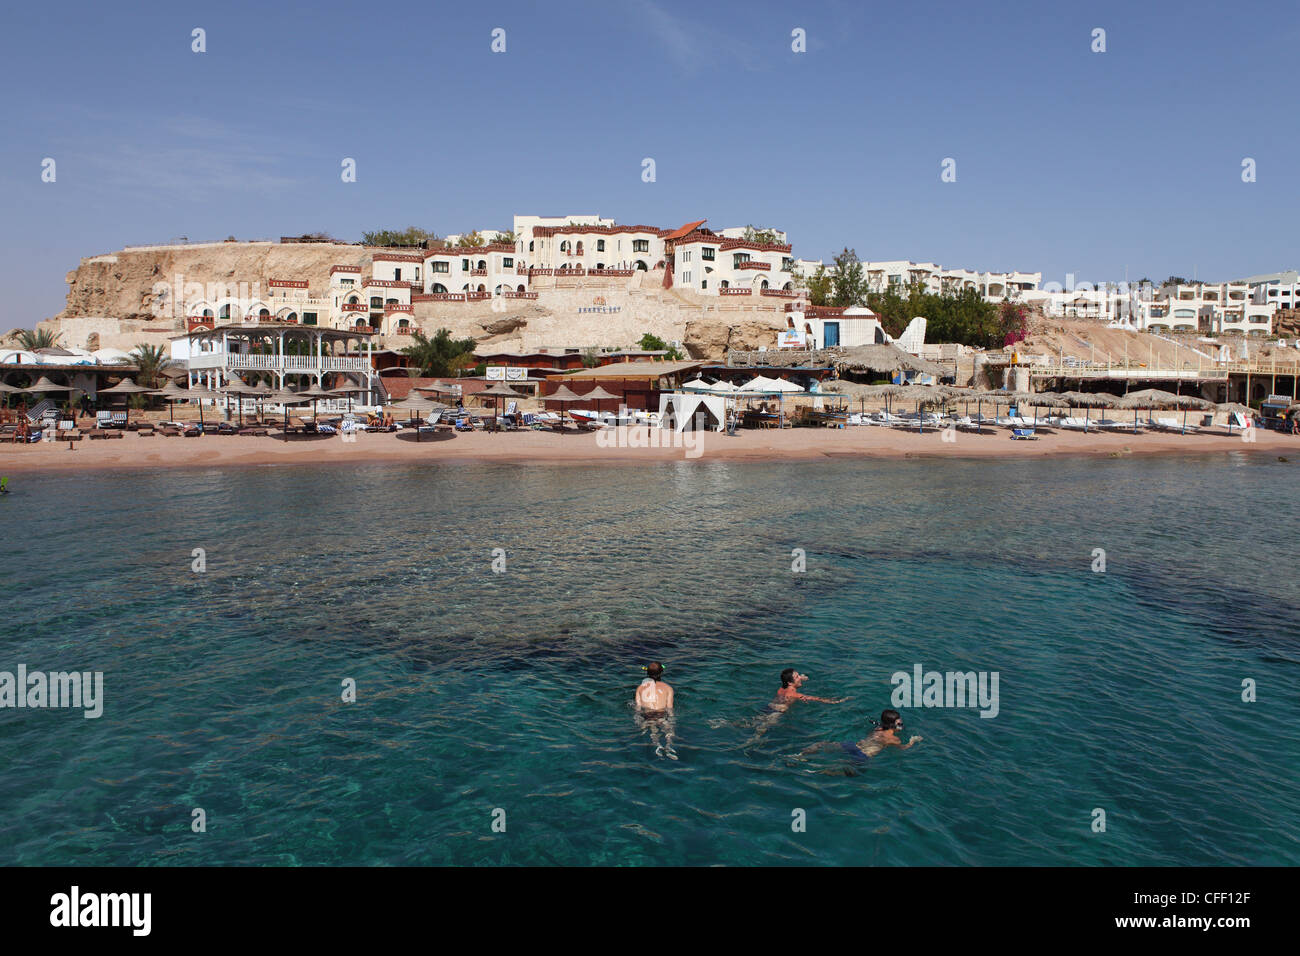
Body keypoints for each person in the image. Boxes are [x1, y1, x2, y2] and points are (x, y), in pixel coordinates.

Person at [801, 709, 922, 765]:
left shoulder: (878, 728)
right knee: (842, 769)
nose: (901, 725)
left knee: (823, 745)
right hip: (862, 756)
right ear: (893, 725)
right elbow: (902, 748)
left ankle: (801, 755)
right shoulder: (894, 739)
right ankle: (815, 770)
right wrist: (912, 741)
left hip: (853, 746)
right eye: (900, 724)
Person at [634, 662, 676, 759]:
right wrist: (672, 720)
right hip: (662, 714)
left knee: (653, 732)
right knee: (669, 732)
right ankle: (669, 746)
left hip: (647, 715)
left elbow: (638, 707)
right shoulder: (668, 688)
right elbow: (669, 707)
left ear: (647, 673)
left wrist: (637, 719)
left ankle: (657, 746)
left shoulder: (640, 688)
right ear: (661, 673)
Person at [773, 668, 846, 709]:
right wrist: (836, 701)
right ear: (790, 682)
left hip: (770, 707)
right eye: (797, 677)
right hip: (776, 714)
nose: (800, 678)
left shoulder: (782, 688)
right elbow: (816, 699)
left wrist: (801, 678)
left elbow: (791, 682)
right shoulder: (794, 695)